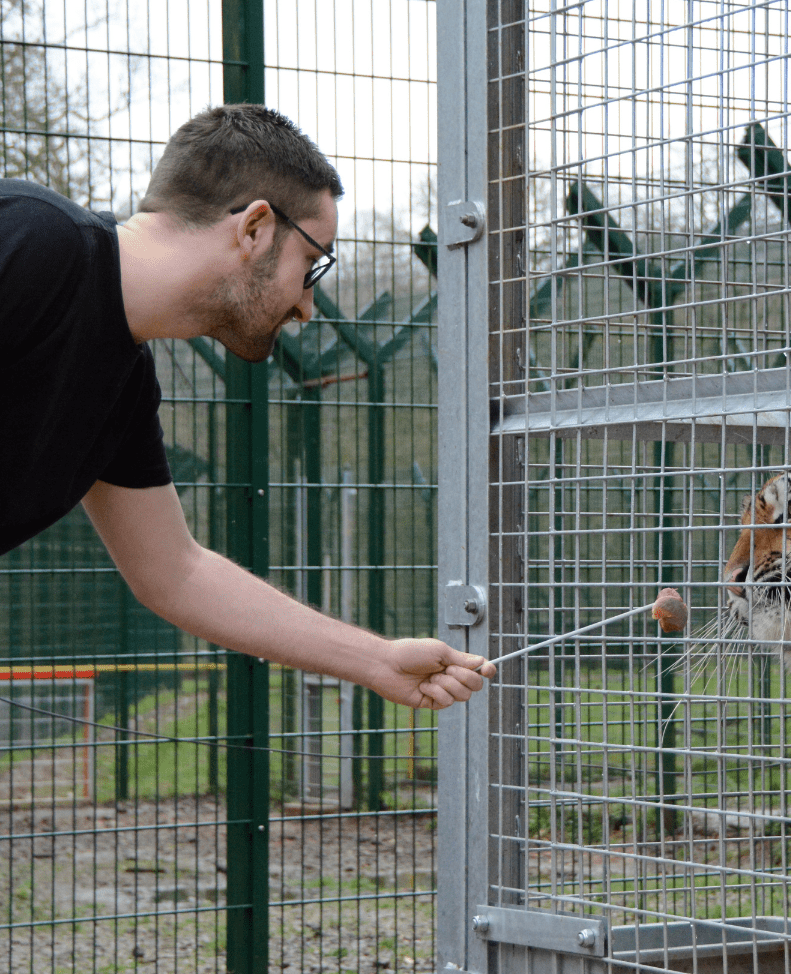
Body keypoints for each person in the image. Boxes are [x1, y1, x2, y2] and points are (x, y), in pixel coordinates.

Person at [0, 103, 493, 709]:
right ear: (255, 228)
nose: (308, 307)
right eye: (311, 263)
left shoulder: (123, 383)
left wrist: (376, 660)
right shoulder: (31, 241)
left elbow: (176, 573)